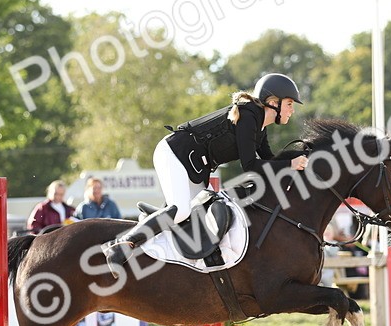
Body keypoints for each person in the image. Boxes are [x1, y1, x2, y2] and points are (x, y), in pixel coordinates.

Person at [105, 73, 307, 264]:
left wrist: (299, 163)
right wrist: (289, 164)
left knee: (201, 216)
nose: (292, 110)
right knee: (182, 211)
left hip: (194, 166)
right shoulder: (248, 116)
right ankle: (121, 246)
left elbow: (269, 161)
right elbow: (250, 166)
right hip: (175, 153)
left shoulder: (260, 128)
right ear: (273, 102)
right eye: (289, 104)